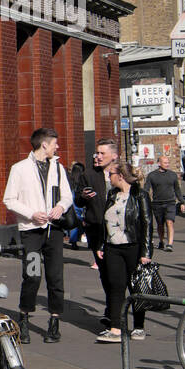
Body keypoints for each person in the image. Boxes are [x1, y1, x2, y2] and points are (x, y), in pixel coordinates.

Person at [3, 128, 74, 343]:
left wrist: (60, 207)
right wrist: (31, 214)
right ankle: (24, 317)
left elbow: (67, 196)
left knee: (55, 277)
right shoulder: (19, 169)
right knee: (32, 275)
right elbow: (9, 199)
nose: (57, 147)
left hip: (54, 231)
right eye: (55, 143)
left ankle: (54, 321)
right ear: (44, 144)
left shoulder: (58, 168)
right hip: (32, 232)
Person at [96, 162, 153, 343]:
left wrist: (146, 252)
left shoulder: (140, 195)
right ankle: (116, 328)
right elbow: (104, 222)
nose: (108, 177)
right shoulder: (112, 195)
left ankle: (138, 326)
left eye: (111, 173)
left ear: (120, 175)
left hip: (133, 247)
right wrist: (101, 245)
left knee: (135, 287)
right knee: (115, 286)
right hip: (113, 247)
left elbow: (147, 224)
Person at [76, 139, 118, 326]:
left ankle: (117, 310)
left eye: (102, 153)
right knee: (106, 271)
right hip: (97, 229)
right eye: (97, 153)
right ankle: (112, 309)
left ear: (114, 155)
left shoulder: (123, 173)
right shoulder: (89, 175)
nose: (98, 157)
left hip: (120, 230)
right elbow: (78, 200)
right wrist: (83, 196)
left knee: (118, 272)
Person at [144, 154, 183, 252]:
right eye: (165, 163)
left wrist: (182, 202)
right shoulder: (152, 175)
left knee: (169, 222)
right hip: (157, 203)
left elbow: (177, 189)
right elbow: (146, 189)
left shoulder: (172, 175)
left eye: (168, 162)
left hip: (170, 202)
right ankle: (161, 241)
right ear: (159, 163)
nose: (167, 164)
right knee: (160, 224)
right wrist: (144, 201)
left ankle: (170, 244)